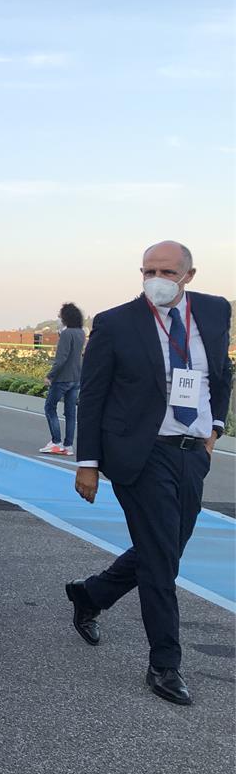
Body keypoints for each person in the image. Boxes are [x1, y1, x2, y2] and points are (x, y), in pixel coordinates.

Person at [67, 241, 231, 707]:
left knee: (167, 544)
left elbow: (222, 371)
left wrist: (215, 427)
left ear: (189, 275)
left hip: (191, 451)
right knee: (161, 559)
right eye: (147, 270)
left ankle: (91, 594)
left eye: (166, 271)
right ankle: (165, 664)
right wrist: (88, 464)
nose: (155, 278)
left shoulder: (216, 312)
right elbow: (93, 395)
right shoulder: (116, 322)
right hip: (139, 454)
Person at [39, 302, 86, 456]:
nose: (58, 317)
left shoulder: (66, 334)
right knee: (70, 412)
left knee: (49, 408)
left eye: (60, 314)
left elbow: (61, 358)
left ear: (66, 317)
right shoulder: (81, 333)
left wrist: (50, 375)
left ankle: (56, 442)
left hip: (62, 378)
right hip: (76, 377)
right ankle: (68, 446)